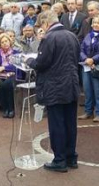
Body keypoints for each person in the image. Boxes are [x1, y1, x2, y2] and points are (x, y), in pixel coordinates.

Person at [28, 10, 81, 173]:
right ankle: (71, 156)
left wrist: (30, 60)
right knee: (70, 122)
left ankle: (60, 160)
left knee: (57, 123)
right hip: (71, 84)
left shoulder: (50, 38)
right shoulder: (71, 35)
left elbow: (42, 63)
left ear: (45, 23)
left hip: (55, 86)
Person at [0, 34, 20, 118]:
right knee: (0, 85)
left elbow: (16, 66)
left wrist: (4, 67)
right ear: (0, 44)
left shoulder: (16, 52)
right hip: (0, 75)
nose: (5, 43)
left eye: (6, 41)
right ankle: (5, 108)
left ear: (10, 42)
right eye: (2, 42)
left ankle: (11, 109)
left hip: (12, 74)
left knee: (8, 84)